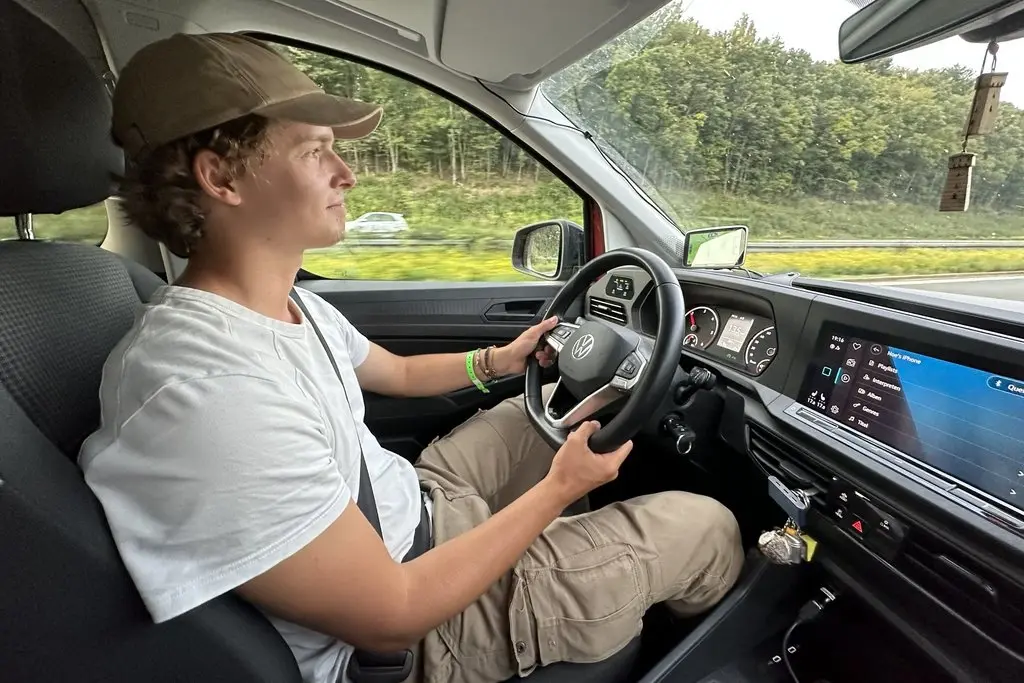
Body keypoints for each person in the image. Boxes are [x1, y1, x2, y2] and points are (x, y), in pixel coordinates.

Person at [79, 32, 745, 683]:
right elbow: (393, 613)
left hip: (411, 504)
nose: (349, 173)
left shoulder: (288, 307)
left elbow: (392, 373)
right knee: (706, 526)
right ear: (221, 177)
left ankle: (599, 577)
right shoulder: (206, 390)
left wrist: (500, 360)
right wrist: (560, 490)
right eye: (316, 153)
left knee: (546, 410)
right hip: (422, 633)